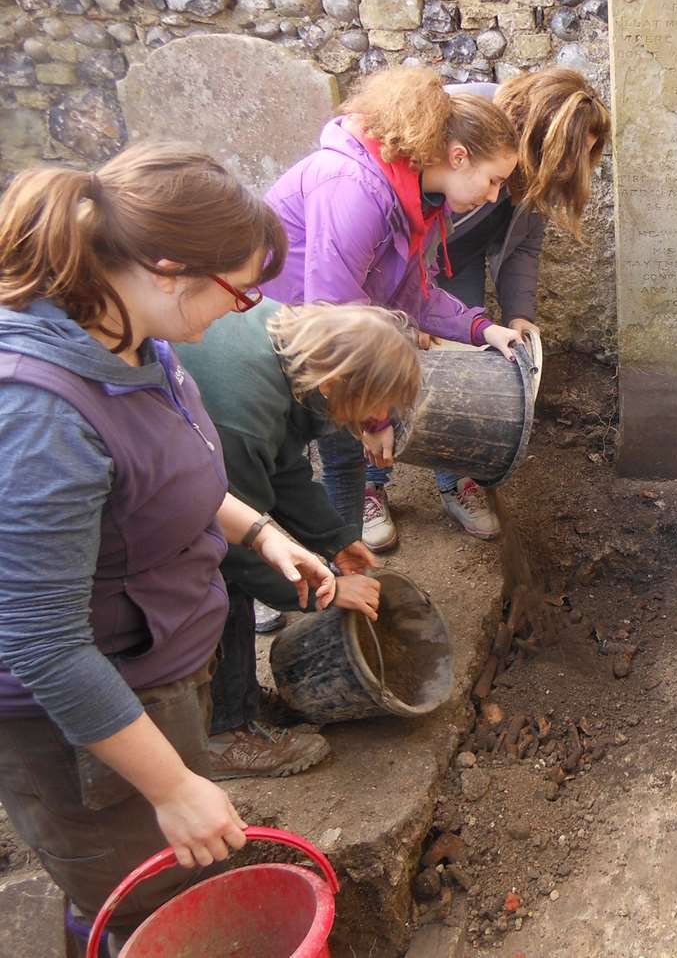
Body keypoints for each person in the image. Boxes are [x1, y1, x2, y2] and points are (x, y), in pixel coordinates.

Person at [0, 144, 336, 956]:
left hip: (150, 671)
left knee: (162, 867)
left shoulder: (134, 342)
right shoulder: (39, 417)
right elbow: (41, 642)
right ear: (167, 266)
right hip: (82, 724)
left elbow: (158, 472)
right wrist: (172, 784)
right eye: (240, 289)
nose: (247, 308)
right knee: (131, 892)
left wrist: (260, 530)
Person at [261, 66, 524, 553]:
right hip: (281, 331)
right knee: (286, 456)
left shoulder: (415, 197)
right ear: (459, 156)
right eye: (494, 180)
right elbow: (335, 318)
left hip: (323, 334)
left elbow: (410, 292)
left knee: (340, 456)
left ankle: (343, 564)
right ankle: (269, 574)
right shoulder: (354, 189)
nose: (494, 196)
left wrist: (483, 329)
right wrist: (376, 415)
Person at [177, 301, 421, 779]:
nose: (376, 416)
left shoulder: (288, 345)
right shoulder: (241, 411)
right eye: (375, 402)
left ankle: (235, 700)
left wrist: (334, 539)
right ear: (336, 382)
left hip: (203, 480)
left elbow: (283, 465)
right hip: (147, 515)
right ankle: (224, 734)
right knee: (220, 591)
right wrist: (326, 589)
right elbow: (226, 539)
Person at [435, 68, 610, 539]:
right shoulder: (458, 120)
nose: (576, 167)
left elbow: (524, 247)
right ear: (541, 135)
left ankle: (454, 480)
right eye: (573, 154)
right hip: (403, 259)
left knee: (460, 368)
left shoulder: (538, 171)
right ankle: (371, 486)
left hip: (460, 259)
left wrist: (519, 315)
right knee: (385, 360)